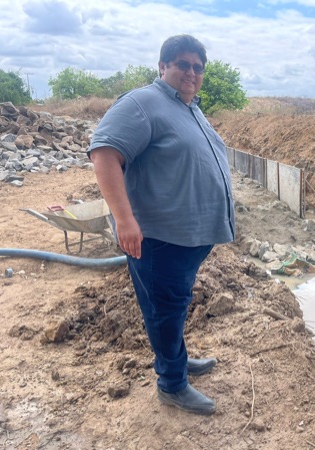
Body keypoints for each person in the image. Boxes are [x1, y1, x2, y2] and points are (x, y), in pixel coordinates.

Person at [88, 34, 235, 416]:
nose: (191, 72)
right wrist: (124, 220)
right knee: (164, 310)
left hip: (187, 238)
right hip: (159, 238)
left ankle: (178, 361)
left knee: (176, 303)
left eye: (197, 67)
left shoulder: (189, 108)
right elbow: (104, 154)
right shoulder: (142, 103)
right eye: (182, 64)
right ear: (162, 67)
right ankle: (171, 383)